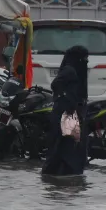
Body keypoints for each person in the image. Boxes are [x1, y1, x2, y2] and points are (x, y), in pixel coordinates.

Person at [42, 45, 89, 177]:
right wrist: (66, 98)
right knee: (67, 146)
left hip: (70, 112)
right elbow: (55, 85)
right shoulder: (70, 70)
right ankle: (63, 177)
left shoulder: (75, 70)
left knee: (70, 145)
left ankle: (64, 177)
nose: (86, 62)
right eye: (84, 58)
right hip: (67, 113)